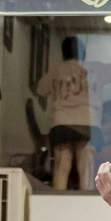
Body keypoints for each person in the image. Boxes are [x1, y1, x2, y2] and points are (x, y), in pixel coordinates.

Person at [36, 37, 101, 192]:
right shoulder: (92, 70)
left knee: (61, 165)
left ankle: (59, 203)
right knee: (86, 166)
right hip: (87, 123)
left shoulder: (57, 69)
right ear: (82, 51)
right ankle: (87, 205)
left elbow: (40, 89)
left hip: (62, 123)